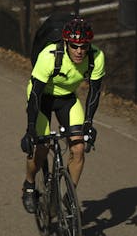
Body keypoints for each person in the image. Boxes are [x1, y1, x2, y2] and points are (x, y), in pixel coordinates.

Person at [21, 14, 104, 212]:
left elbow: (94, 92)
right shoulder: (50, 56)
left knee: (78, 148)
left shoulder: (96, 57)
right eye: (74, 46)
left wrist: (88, 124)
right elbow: (34, 94)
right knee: (41, 147)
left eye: (84, 46)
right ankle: (30, 185)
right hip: (42, 99)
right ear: (65, 42)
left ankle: (69, 197)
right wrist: (31, 129)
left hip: (67, 99)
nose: (79, 51)